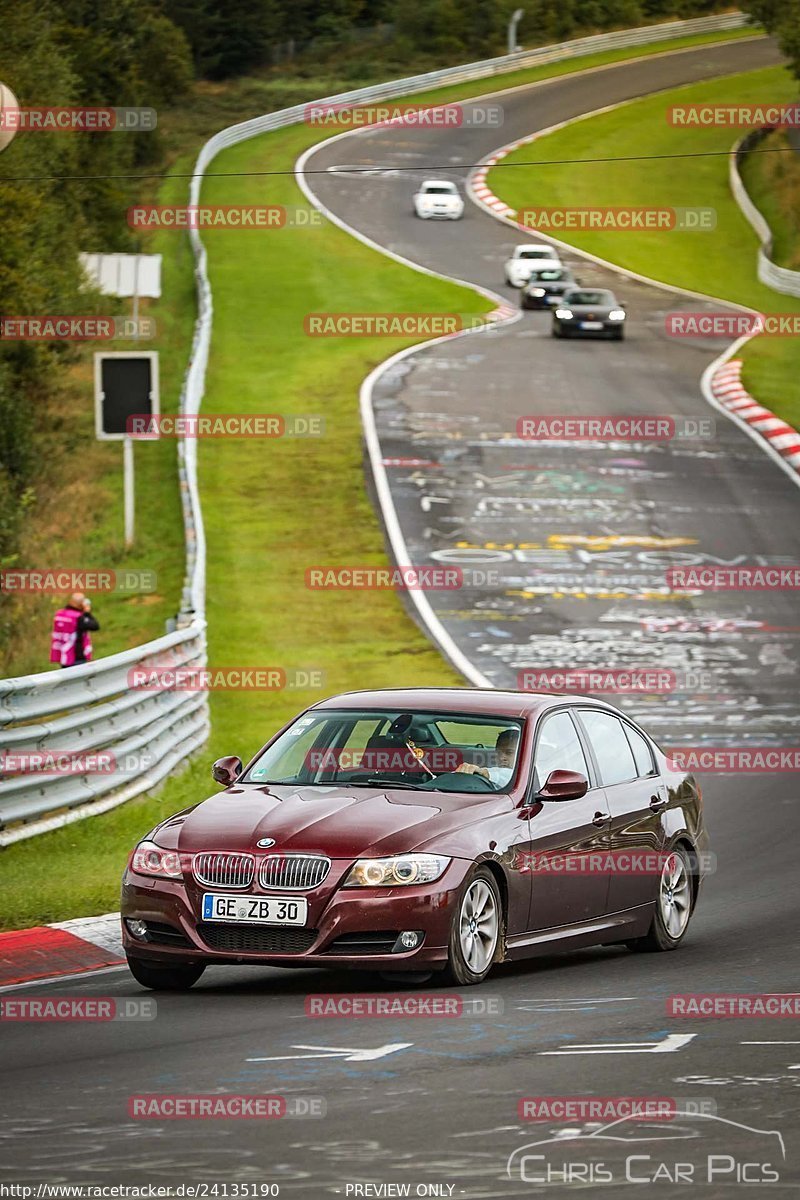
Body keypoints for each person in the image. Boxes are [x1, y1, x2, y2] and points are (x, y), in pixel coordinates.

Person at [50, 592, 100, 668]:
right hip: (77, 656)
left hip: (63, 654)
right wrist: (87, 613)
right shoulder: (78, 618)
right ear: (81, 604)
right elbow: (95, 626)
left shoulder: (59, 614)